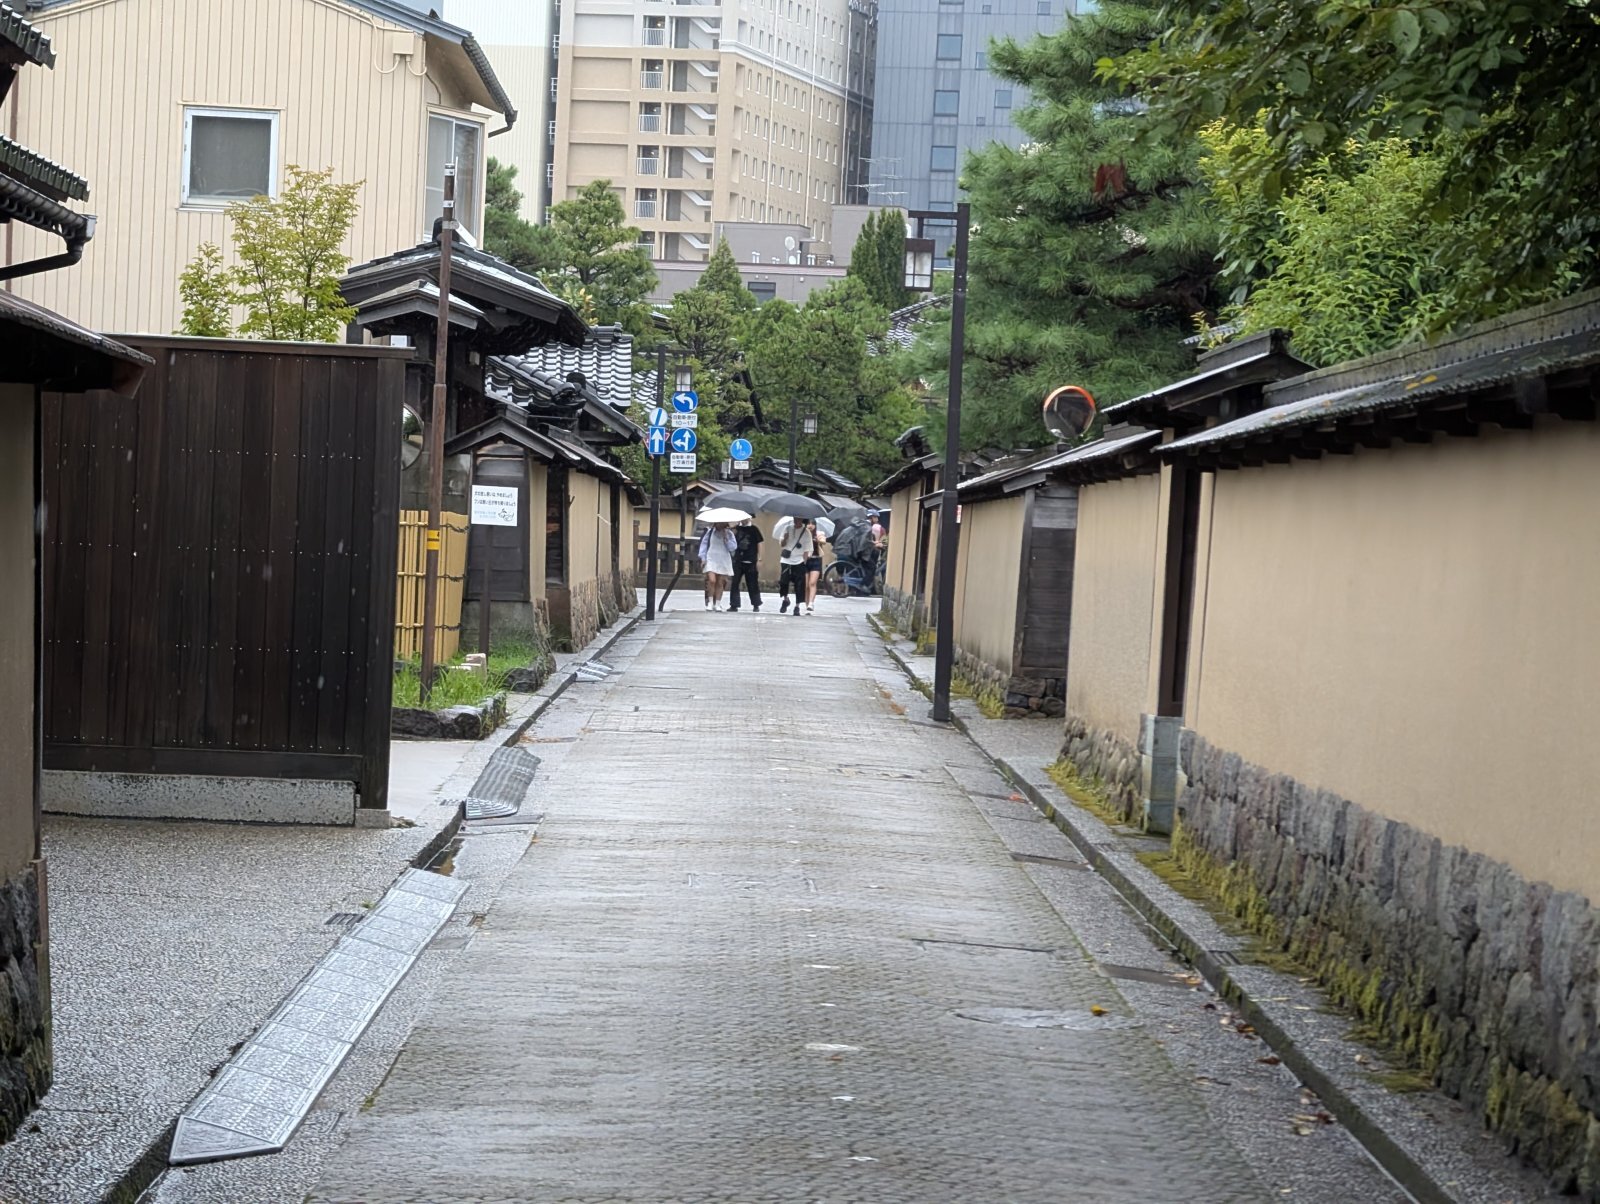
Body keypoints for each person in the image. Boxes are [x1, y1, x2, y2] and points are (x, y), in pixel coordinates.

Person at [777, 517, 813, 615]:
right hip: (786, 559)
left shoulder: (806, 532)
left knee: (799, 584)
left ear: (802, 520)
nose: (796, 520)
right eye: (795, 518)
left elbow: (807, 549)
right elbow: (782, 544)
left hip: (799, 560)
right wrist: (785, 538)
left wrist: (804, 562)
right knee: (783, 581)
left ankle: (797, 606)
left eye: (798, 518)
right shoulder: (787, 528)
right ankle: (785, 599)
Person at [698, 522, 736, 611]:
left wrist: (726, 538)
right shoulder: (710, 532)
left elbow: (733, 548)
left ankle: (718, 603)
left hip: (723, 559)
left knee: (720, 582)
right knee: (712, 580)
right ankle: (710, 602)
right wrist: (703, 558)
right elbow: (704, 545)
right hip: (711, 557)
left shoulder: (729, 533)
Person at [727, 519, 763, 612]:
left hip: (751, 560)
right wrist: (733, 529)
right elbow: (731, 541)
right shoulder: (736, 529)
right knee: (735, 582)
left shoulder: (754, 529)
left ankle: (756, 604)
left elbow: (759, 543)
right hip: (738, 560)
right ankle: (734, 604)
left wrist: (759, 558)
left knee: (752, 584)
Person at [803, 519, 825, 615]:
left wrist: (818, 540)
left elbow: (823, 541)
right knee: (806, 585)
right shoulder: (802, 534)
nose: (810, 525)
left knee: (812, 583)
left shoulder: (819, 534)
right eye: (808, 523)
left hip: (816, 560)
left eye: (812, 524)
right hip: (805, 561)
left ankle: (811, 603)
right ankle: (807, 604)